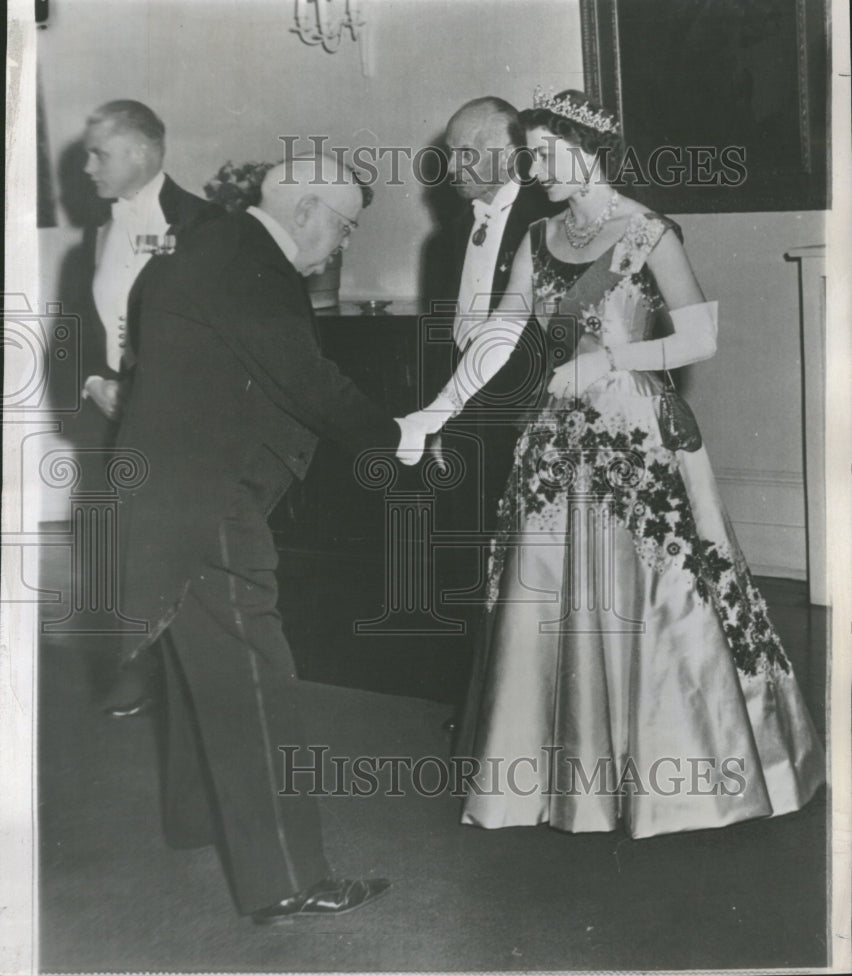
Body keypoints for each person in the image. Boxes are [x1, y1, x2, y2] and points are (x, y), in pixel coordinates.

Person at [399, 88, 824, 838]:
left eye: (543, 154)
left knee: (659, 589)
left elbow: (701, 338)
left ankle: (681, 773)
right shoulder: (538, 236)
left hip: (634, 429)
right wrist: (439, 410)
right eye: (526, 156)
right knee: (547, 591)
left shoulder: (647, 232)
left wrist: (611, 361)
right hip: (556, 433)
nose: (532, 169)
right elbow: (503, 335)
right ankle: (558, 783)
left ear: (586, 149)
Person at [115, 153, 420, 920]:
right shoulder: (249, 264)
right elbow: (306, 380)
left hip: (167, 492)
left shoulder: (203, 247)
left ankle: (199, 823)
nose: (342, 244)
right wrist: (399, 435)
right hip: (207, 500)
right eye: (345, 226)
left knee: (200, 664)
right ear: (308, 209)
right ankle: (288, 876)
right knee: (255, 674)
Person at [77, 99, 222, 717]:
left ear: (139, 152)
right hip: (108, 416)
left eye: (98, 153)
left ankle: (182, 673)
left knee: (170, 546)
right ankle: (128, 670)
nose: (87, 167)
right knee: (109, 544)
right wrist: (92, 381)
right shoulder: (98, 229)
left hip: (173, 417)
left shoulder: (203, 224)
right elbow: (80, 324)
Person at [437, 98, 557, 728]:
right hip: (468, 419)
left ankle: (526, 714)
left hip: (526, 415)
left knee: (525, 564)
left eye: (464, 152)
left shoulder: (551, 216)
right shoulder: (456, 227)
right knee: (471, 559)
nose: (450, 166)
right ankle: (482, 703)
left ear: (508, 152)